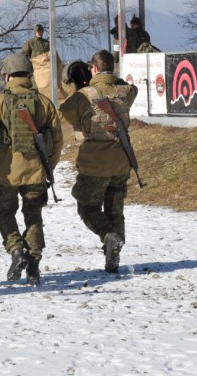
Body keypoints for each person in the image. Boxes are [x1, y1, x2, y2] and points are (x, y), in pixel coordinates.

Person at [0, 53, 63, 286]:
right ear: (30, 74)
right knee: (33, 215)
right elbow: (57, 138)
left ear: (7, 75)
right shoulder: (44, 103)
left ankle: (16, 250)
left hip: (6, 172)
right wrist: (49, 166)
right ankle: (33, 267)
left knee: (3, 210)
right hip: (36, 170)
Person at [59, 49, 138, 273]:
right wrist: (109, 78)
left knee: (87, 206)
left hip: (94, 163)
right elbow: (128, 87)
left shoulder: (84, 95)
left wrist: (77, 87)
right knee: (115, 209)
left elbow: (65, 112)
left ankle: (109, 236)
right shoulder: (127, 91)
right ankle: (114, 253)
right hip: (122, 160)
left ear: (93, 68)